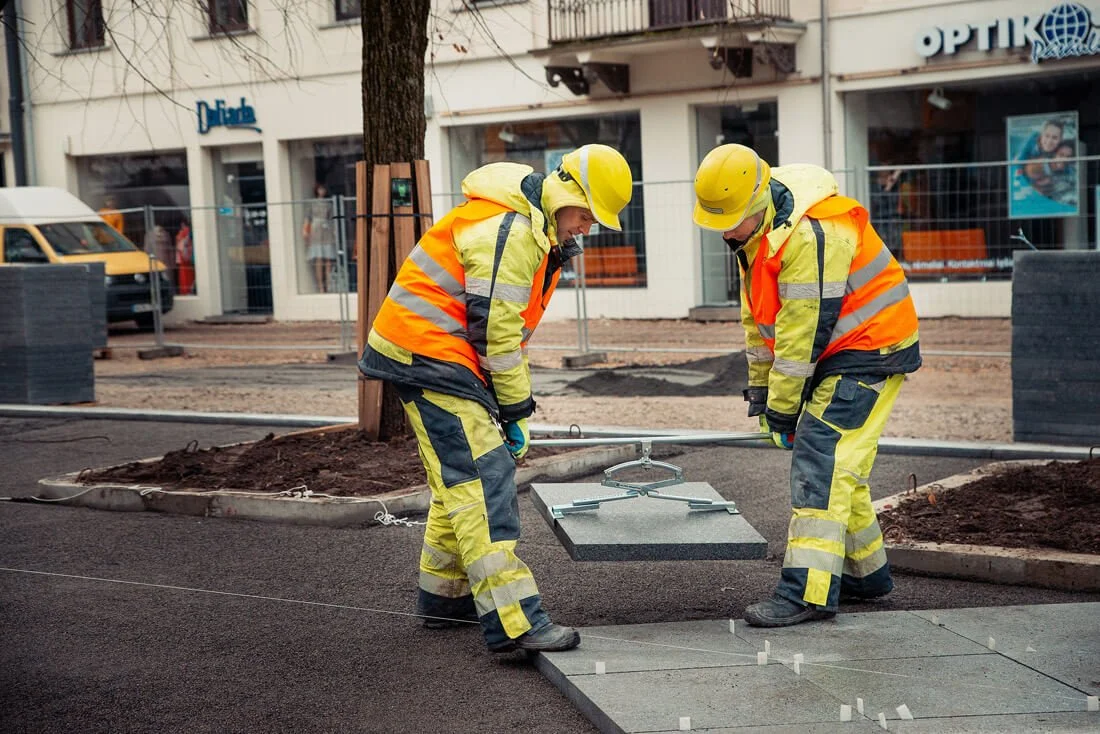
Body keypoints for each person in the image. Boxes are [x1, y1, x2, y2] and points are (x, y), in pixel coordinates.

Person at [358, 144, 633, 653]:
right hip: (432, 357)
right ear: (565, 195)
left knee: (458, 481)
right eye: (587, 215)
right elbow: (499, 338)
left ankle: (445, 598)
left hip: (425, 353)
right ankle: (515, 623)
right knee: (484, 485)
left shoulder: (523, 225)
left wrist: (505, 405)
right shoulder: (512, 233)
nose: (587, 228)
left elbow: (497, 333)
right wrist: (515, 410)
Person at [692, 144, 921, 628]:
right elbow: (760, 323)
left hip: (869, 349)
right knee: (839, 464)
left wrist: (782, 409)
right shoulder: (757, 231)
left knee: (824, 459)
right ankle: (867, 576)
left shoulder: (813, 233)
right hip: (839, 351)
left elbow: (802, 331)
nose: (724, 231)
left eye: (730, 220)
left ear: (757, 201)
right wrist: (761, 394)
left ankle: (807, 593)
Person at [304, 183, 337, 293]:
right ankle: (320, 286)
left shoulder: (329, 204)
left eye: (323, 189)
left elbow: (332, 219)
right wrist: (305, 231)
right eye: (320, 189)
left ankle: (328, 285)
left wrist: (334, 232)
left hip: (327, 230)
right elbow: (307, 219)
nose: (322, 191)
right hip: (316, 231)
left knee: (328, 259)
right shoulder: (312, 204)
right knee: (318, 259)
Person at [175, 218, 195, 295]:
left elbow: (181, 246)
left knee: (184, 276)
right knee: (190, 275)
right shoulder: (189, 231)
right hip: (189, 256)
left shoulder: (183, 232)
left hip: (184, 257)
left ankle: (185, 291)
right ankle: (190, 290)